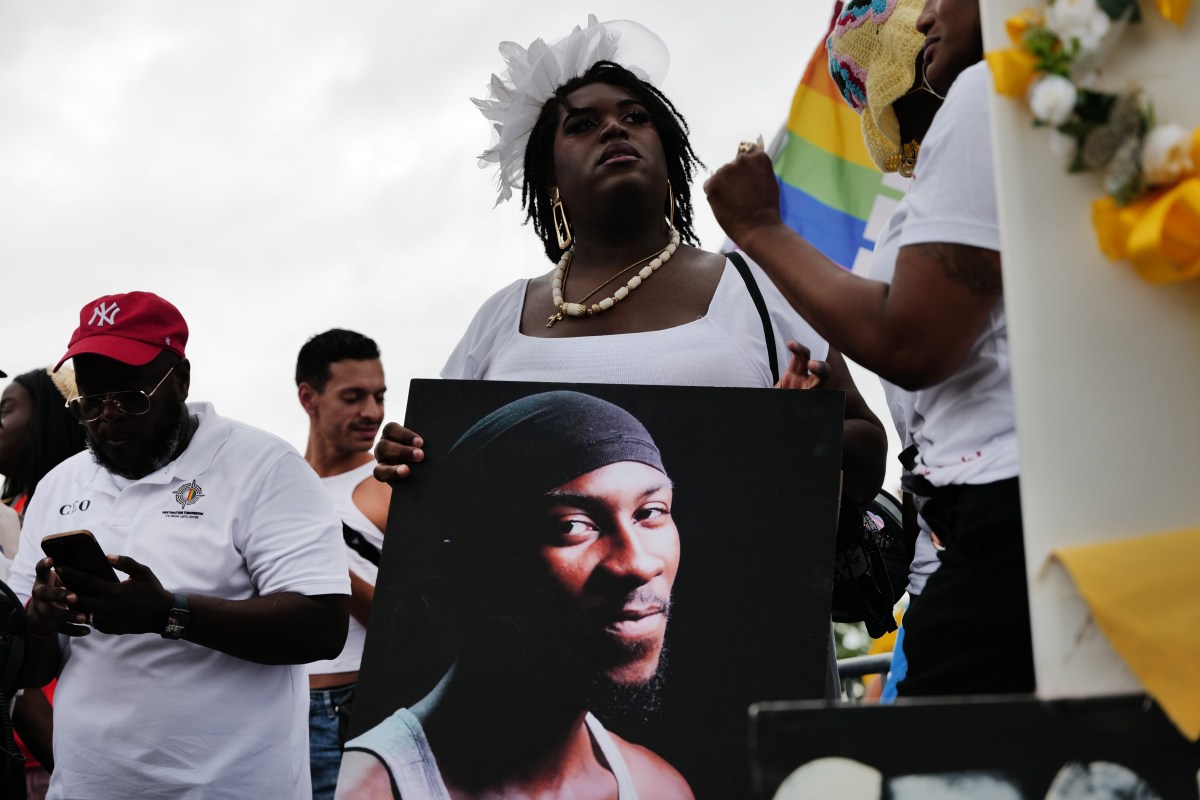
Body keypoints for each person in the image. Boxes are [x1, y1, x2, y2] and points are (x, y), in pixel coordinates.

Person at [375, 15, 885, 523]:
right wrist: (411, 458)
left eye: (636, 117)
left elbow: (868, 448)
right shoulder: (500, 317)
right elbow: (450, 477)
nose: (615, 127)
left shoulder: (757, 285)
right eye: (582, 125)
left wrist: (795, 432)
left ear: (669, 156)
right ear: (550, 179)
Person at [705, 0, 1033, 696]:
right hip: (980, 529)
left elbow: (910, 341)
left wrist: (760, 228)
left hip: (1008, 522)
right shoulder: (984, 134)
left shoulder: (983, 95)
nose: (927, 16)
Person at [8, 290, 351, 799]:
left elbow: (321, 627)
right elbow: (31, 668)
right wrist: (39, 620)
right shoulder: (61, 484)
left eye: (130, 397)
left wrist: (169, 614)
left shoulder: (264, 468)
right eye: (91, 401)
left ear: (181, 381)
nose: (109, 416)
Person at [337, 390, 693, 799]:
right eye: (572, 526)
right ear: (473, 566)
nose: (638, 564)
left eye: (649, 513)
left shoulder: (658, 789)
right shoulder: (369, 792)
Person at [295, 328, 390, 800]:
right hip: (277, 702)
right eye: (353, 397)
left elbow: (409, 622)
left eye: (378, 396)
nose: (371, 412)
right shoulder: (279, 483)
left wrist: (327, 563)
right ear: (308, 398)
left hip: (355, 705)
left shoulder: (390, 489)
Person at [0, 365, 86, 800]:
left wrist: (74, 772)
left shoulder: (66, 514)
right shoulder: (9, 506)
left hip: (55, 744)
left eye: (7, 410)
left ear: (48, 420)